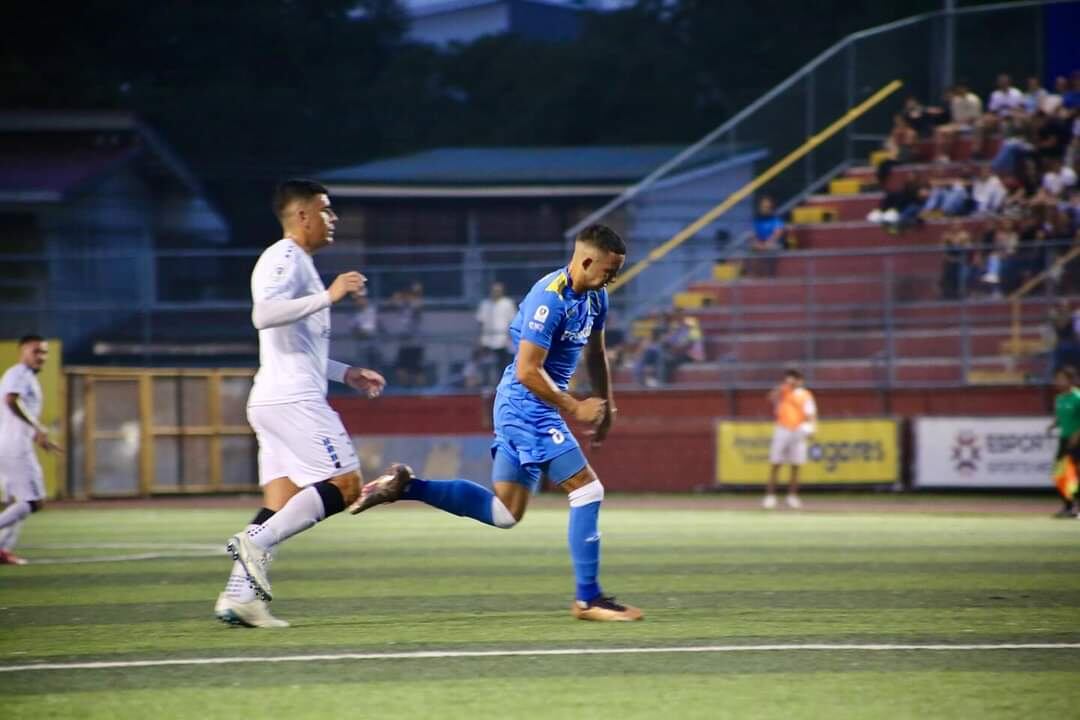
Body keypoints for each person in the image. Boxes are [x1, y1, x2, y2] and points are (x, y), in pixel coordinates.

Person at [351, 223, 642, 622]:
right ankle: (588, 599)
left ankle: (407, 486)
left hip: (529, 404)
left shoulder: (596, 297)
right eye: (610, 270)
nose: (613, 278)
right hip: (527, 405)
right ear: (587, 261)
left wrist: (608, 405)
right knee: (588, 490)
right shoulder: (549, 299)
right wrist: (575, 408)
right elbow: (527, 370)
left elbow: (596, 353)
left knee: (505, 513)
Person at [217, 179, 388, 628]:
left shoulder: (301, 265)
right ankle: (254, 544)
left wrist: (345, 372)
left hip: (275, 397)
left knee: (279, 503)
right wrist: (329, 296)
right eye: (326, 210)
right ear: (303, 215)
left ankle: (239, 598)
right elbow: (263, 314)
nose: (334, 219)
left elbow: (296, 344)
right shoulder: (285, 257)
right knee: (346, 484)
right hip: (292, 398)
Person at [0, 335, 62, 565]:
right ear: (22, 351)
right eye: (35, 351)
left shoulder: (25, 377)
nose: (41, 356)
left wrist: (38, 436)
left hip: (10, 444)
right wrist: (37, 427)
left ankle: (2, 549)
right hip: (15, 447)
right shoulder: (19, 373)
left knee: (16, 502)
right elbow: (11, 400)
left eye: (44, 352)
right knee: (34, 501)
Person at [763, 369, 817, 510]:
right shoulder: (783, 390)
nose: (792, 381)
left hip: (798, 430)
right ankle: (770, 496)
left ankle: (792, 497)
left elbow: (810, 413)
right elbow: (770, 397)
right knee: (775, 463)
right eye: (789, 378)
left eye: (795, 378)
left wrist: (812, 428)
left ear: (800, 380)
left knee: (796, 464)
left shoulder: (805, 394)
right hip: (782, 429)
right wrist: (784, 386)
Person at [1049, 366, 1080, 517]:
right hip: (1064, 439)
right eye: (1057, 379)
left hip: (1077, 440)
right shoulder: (1059, 398)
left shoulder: (1077, 397)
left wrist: (1076, 435)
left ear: (1071, 380)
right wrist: (1053, 425)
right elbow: (1060, 418)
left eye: (1062, 379)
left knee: (1074, 474)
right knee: (1059, 474)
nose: (1058, 382)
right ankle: (1068, 506)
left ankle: (1076, 508)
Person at [476, 281, 517, 387]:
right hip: (487, 341)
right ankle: (486, 387)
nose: (496, 292)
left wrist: (510, 338)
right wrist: (480, 339)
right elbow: (480, 322)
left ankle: (502, 386)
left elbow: (513, 321)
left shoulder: (508, 303)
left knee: (502, 366)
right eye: (494, 290)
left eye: (498, 290)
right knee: (486, 366)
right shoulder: (485, 304)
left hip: (503, 340)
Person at [390, 282, 425, 388]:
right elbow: (393, 300)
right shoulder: (403, 305)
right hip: (404, 343)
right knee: (401, 370)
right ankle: (405, 390)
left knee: (417, 370)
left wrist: (415, 294)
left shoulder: (416, 304)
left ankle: (420, 393)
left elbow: (418, 304)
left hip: (415, 343)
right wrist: (401, 295)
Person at [748, 195, 790, 276]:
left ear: (771, 208)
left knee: (771, 248)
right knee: (752, 248)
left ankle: (770, 274)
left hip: (773, 244)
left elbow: (776, 235)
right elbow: (753, 235)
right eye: (763, 207)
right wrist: (757, 243)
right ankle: (754, 275)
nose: (765, 209)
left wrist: (766, 244)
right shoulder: (757, 221)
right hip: (760, 245)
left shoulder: (776, 220)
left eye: (767, 207)